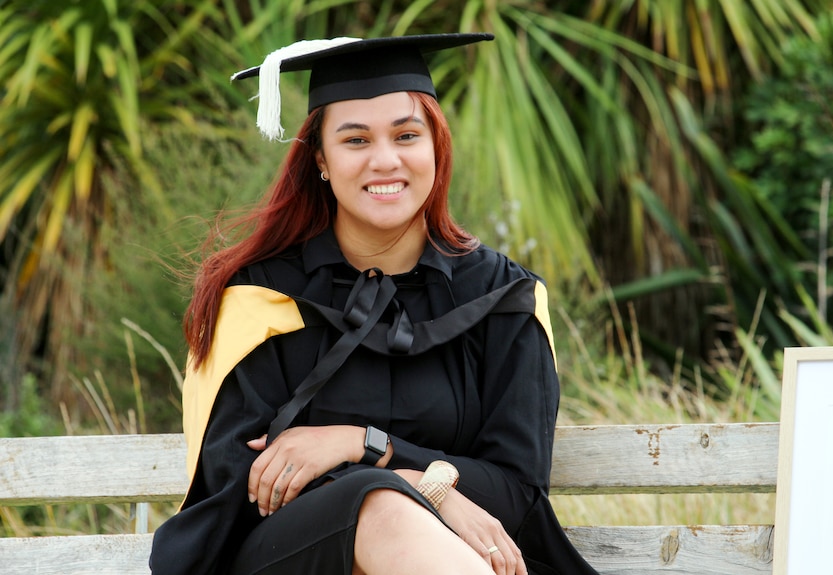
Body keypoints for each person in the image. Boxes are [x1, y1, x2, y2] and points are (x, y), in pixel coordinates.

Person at [149, 33, 599, 575]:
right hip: (288, 560)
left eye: (406, 135)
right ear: (320, 159)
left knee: (384, 502)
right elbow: (245, 485)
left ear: (436, 146)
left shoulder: (501, 297)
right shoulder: (258, 298)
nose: (385, 161)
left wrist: (366, 447)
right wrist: (412, 488)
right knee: (379, 508)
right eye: (356, 141)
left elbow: (517, 498)